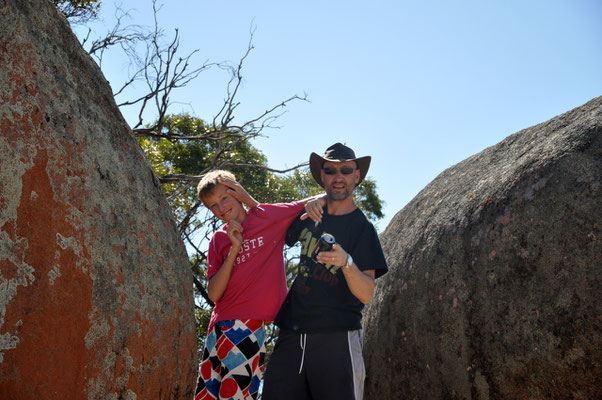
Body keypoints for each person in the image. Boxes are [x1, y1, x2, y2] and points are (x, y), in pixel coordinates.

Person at [262, 143, 388, 400]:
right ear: (322, 176)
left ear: (357, 175)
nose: (338, 176)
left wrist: (346, 262)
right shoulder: (308, 215)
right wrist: (310, 202)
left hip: (337, 338)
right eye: (330, 170)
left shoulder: (363, 229)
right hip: (291, 335)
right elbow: (265, 219)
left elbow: (366, 293)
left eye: (346, 170)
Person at [194, 170, 323, 400]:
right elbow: (215, 294)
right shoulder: (219, 239)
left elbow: (322, 197)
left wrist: (251, 201)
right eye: (213, 205)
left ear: (237, 191)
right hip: (217, 328)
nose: (221, 208)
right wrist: (234, 248)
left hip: (247, 327)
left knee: (236, 396)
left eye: (225, 197)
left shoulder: (267, 217)